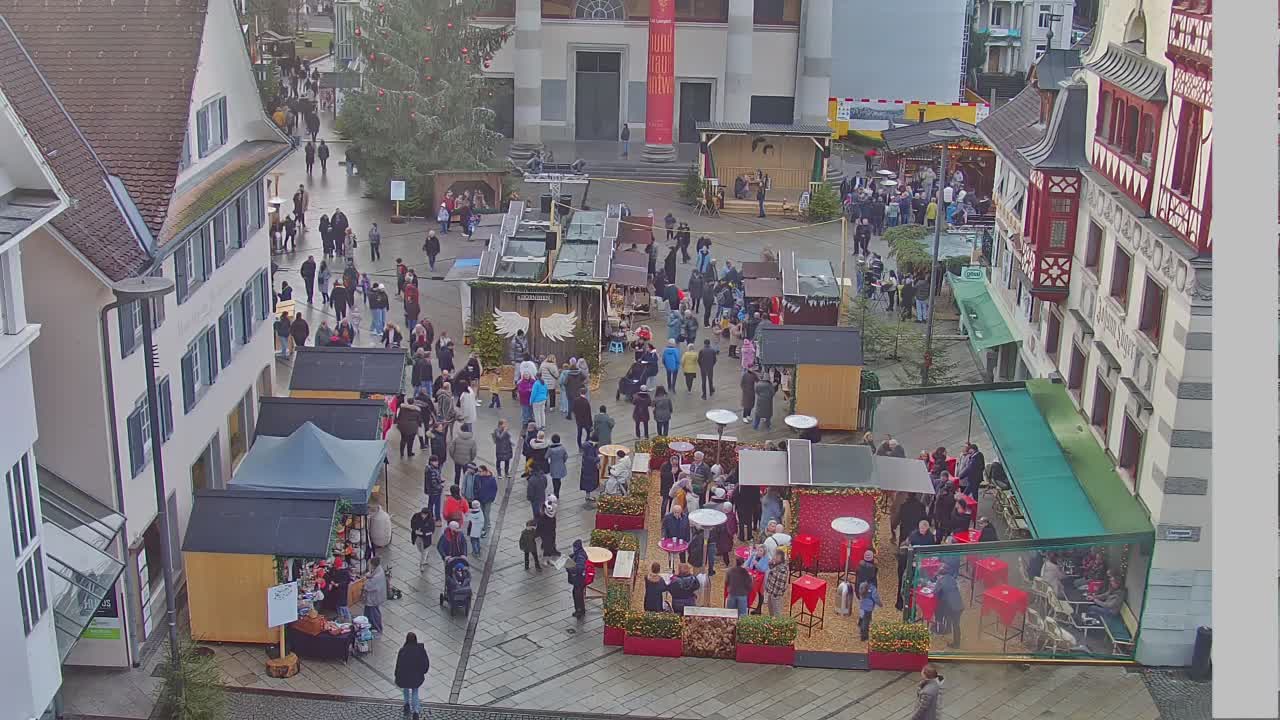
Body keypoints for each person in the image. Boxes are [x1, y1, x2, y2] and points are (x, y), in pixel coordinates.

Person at [394, 632, 430, 720]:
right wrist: (423, 671)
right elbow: (425, 662)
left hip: (404, 676)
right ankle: (416, 711)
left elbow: (398, 664)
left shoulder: (403, 650)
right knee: (415, 691)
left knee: (405, 689)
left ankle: (406, 704)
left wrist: (397, 675)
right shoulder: (420, 650)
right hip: (416, 676)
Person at [934, 564, 964, 647]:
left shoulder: (941, 581)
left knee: (955, 624)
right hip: (959, 604)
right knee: (951, 618)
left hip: (953, 607)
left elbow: (935, 592)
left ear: (940, 575)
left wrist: (937, 583)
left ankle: (956, 644)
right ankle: (948, 629)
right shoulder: (951, 578)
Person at [567, 540, 590, 619]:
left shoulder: (580, 556)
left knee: (577, 595)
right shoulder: (580, 553)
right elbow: (573, 555)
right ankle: (580, 610)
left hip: (579, 580)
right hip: (579, 580)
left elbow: (579, 568)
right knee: (577, 594)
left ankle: (579, 611)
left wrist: (569, 567)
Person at [363, 557, 387, 632]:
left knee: (374, 612)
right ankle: (368, 624)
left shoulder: (377, 577)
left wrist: (365, 582)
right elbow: (372, 574)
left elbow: (369, 586)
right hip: (375, 595)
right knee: (369, 611)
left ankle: (377, 627)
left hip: (374, 597)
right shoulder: (379, 569)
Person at [474, 465, 498, 537]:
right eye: (478, 471)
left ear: (485, 471)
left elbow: (494, 489)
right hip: (479, 498)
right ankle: (485, 524)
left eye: (480, 471)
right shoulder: (477, 477)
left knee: (486, 514)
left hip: (488, 500)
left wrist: (491, 498)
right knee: (481, 513)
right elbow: (475, 487)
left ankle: (485, 528)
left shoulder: (491, 479)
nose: (479, 473)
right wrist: (476, 495)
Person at [547, 433, 569, 498]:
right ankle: (557, 492)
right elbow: (566, 456)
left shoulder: (550, 449)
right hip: (560, 465)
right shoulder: (562, 448)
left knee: (554, 480)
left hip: (553, 466)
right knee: (558, 480)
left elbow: (546, 456)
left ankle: (555, 491)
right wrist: (563, 461)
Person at [579, 435, 601, 501]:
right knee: (589, 483)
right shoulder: (590, 447)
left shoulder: (586, 445)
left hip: (586, 467)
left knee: (587, 483)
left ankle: (588, 496)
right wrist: (598, 458)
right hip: (590, 468)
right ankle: (588, 496)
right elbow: (590, 458)